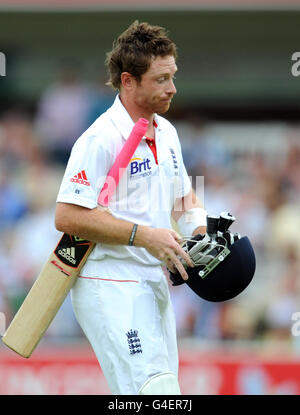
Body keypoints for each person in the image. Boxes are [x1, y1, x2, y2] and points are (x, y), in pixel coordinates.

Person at [55, 21, 207, 395]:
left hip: (152, 283)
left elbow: (184, 194)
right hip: (109, 283)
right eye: (160, 79)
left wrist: (201, 232)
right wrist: (145, 236)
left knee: (154, 394)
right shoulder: (99, 138)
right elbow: (68, 216)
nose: (173, 88)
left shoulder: (167, 132)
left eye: (173, 76)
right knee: (157, 393)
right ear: (128, 81)